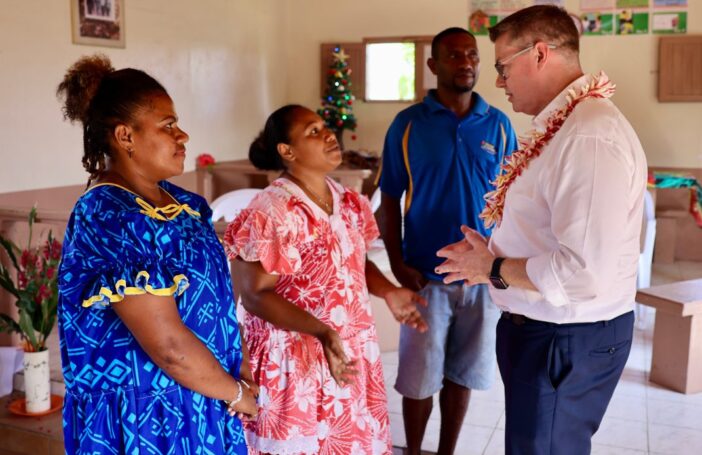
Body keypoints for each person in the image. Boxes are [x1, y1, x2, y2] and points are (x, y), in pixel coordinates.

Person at [435, 6, 647, 455]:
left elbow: (583, 273)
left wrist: (492, 266)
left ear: (540, 54)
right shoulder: (563, 126)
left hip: (565, 336)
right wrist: (490, 252)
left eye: (501, 66)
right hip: (545, 330)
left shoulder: (588, 135)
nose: (498, 81)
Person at [56, 54, 257, 454]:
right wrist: (235, 393)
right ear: (125, 136)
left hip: (206, 396)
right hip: (148, 418)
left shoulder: (185, 205)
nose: (182, 136)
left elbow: (216, 300)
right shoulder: (110, 215)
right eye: (168, 126)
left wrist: (240, 373)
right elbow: (168, 347)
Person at [224, 104, 428, 454]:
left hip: (343, 351)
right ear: (287, 151)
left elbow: (353, 260)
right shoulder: (273, 210)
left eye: (324, 127)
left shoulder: (346, 200)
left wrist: (390, 292)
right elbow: (256, 295)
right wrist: (322, 332)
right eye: (313, 131)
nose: (328, 134)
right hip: (294, 361)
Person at [377, 27, 518, 455]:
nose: (467, 63)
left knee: (464, 374)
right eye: (455, 56)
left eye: (473, 55)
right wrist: (398, 264)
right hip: (425, 276)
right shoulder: (408, 124)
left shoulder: (498, 124)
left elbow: (512, 200)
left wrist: (502, 268)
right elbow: (388, 199)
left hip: (480, 278)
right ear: (434, 65)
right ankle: (415, 450)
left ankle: (446, 452)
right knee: (419, 377)